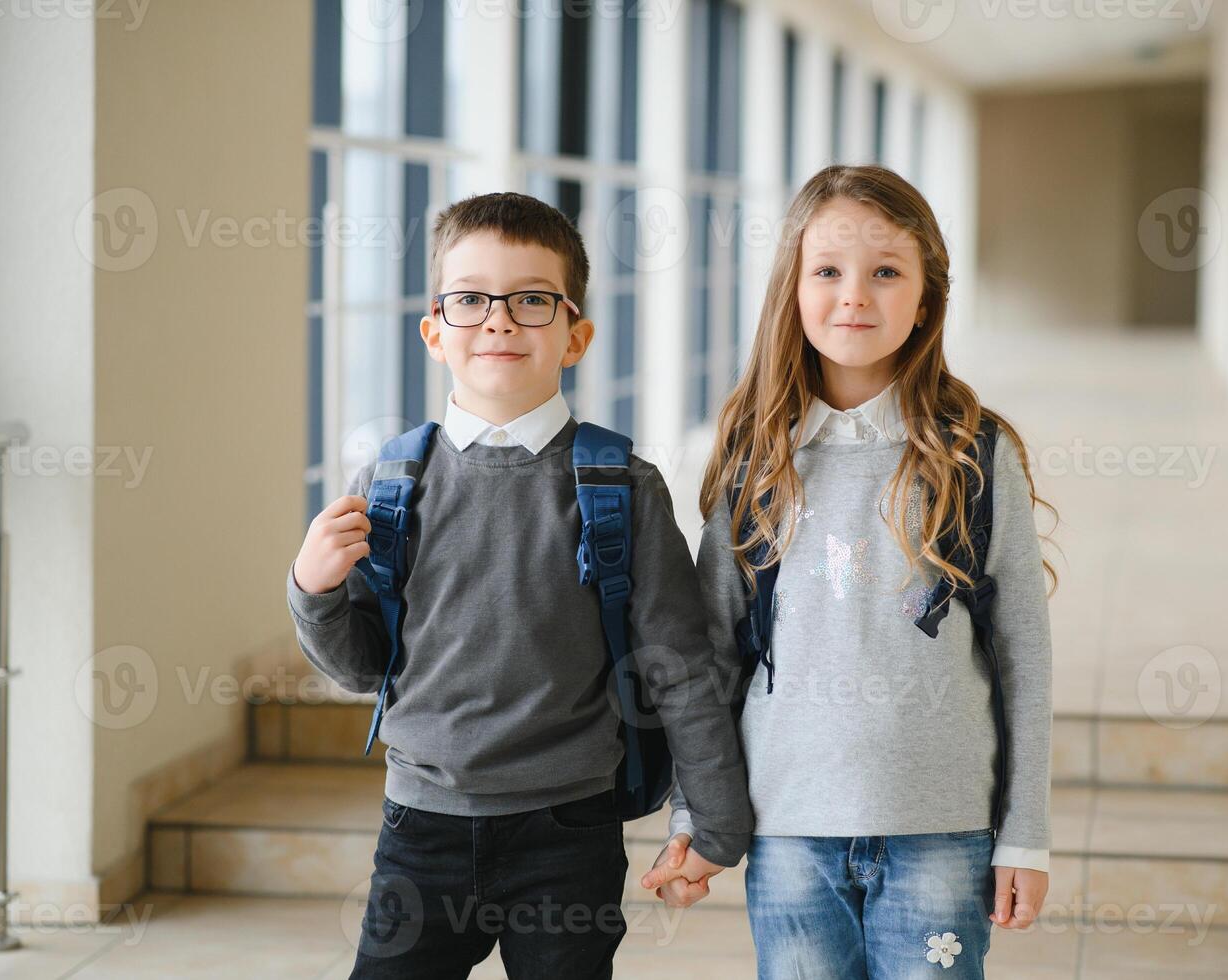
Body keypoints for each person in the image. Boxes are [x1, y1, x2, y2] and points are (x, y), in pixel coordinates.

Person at [288, 191, 752, 979]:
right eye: (469, 299)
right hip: (419, 826)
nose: (497, 321)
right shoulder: (393, 479)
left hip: (568, 832)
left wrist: (715, 820)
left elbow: (677, 664)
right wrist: (313, 588)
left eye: (531, 300)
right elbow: (365, 667)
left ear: (576, 335)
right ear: (435, 332)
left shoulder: (621, 485)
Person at [642, 165, 1058, 980]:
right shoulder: (752, 457)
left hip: (941, 829)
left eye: (886, 272)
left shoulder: (977, 454)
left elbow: (1023, 656)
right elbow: (711, 653)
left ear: (927, 296)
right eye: (827, 270)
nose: (853, 296)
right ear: (792, 289)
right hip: (789, 826)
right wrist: (697, 815)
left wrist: (1024, 834)